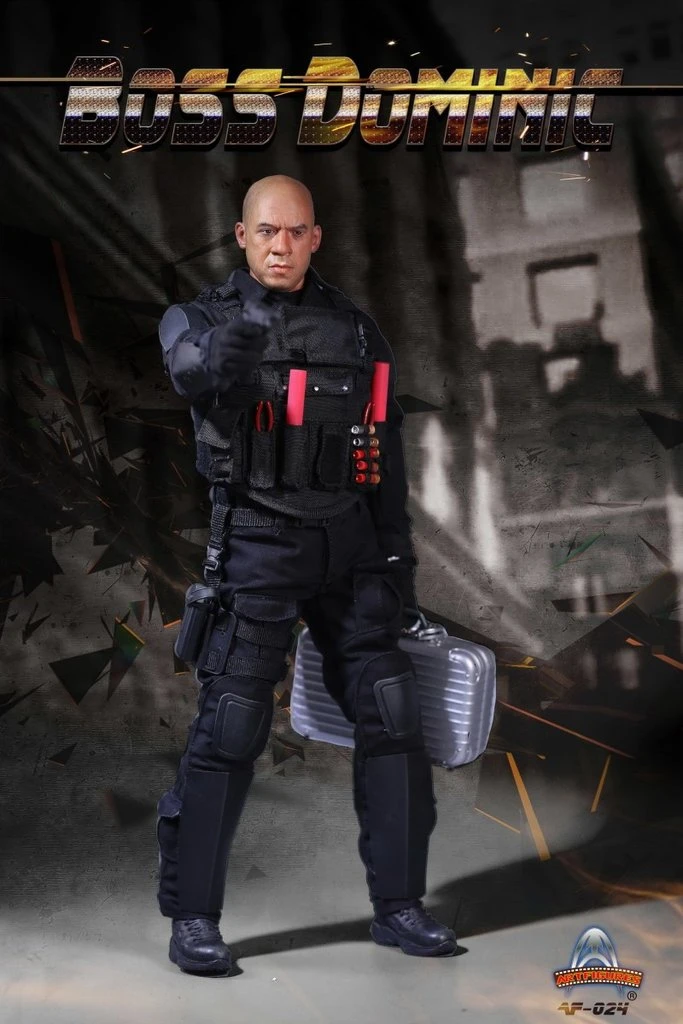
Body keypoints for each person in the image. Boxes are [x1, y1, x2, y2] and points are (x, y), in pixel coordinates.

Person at [156, 174, 456, 976]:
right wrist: (245, 331)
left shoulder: (355, 329)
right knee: (230, 728)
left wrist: (396, 561)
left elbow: (382, 451)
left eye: (295, 232)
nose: (280, 246)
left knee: (392, 716)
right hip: (258, 542)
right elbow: (194, 376)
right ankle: (193, 919)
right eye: (266, 232)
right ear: (241, 236)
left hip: (351, 546)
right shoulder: (197, 319)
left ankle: (398, 907)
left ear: (315, 237)